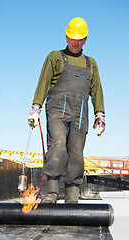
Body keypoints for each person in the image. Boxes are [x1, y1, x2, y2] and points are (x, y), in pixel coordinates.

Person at [28, 17, 105, 204]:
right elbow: (43, 83)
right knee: (58, 145)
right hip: (57, 110)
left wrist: (100, 114)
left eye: (80, 38)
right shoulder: (55, 57)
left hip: (80, 113)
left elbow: (96, 90)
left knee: (76, 153)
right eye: (72, 37)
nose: (76, 42)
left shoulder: (90, 63)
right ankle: (52, 193)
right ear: (66, 37)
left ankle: (72, 198)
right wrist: (35, 108)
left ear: (85, 39)